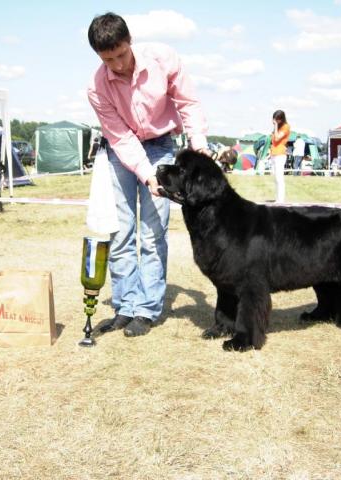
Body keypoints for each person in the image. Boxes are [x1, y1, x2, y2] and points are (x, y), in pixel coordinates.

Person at [87, 12, 208, 337]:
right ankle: (126, 306)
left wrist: (199, 145)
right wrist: (145, 174)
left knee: (153, 232)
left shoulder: (163, 58)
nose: (118, 65)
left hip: (161, 146)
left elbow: (188, 102)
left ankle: (147, 309)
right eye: (108, 59)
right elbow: (121, 137)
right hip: (120, 151)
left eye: (122, 54)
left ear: (130, 42)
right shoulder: (97, 87)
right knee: (121, 231)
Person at [269, 110, 290, 202]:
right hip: (274, 153)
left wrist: (276, 126)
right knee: (275, 177)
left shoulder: (286, 127)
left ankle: (280, 199)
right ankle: (278, 198)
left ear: (281, 119)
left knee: (279, 177)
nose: (275, 121)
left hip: (280, 154)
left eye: (277, 119)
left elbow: (277, 138)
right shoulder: (277, 128)